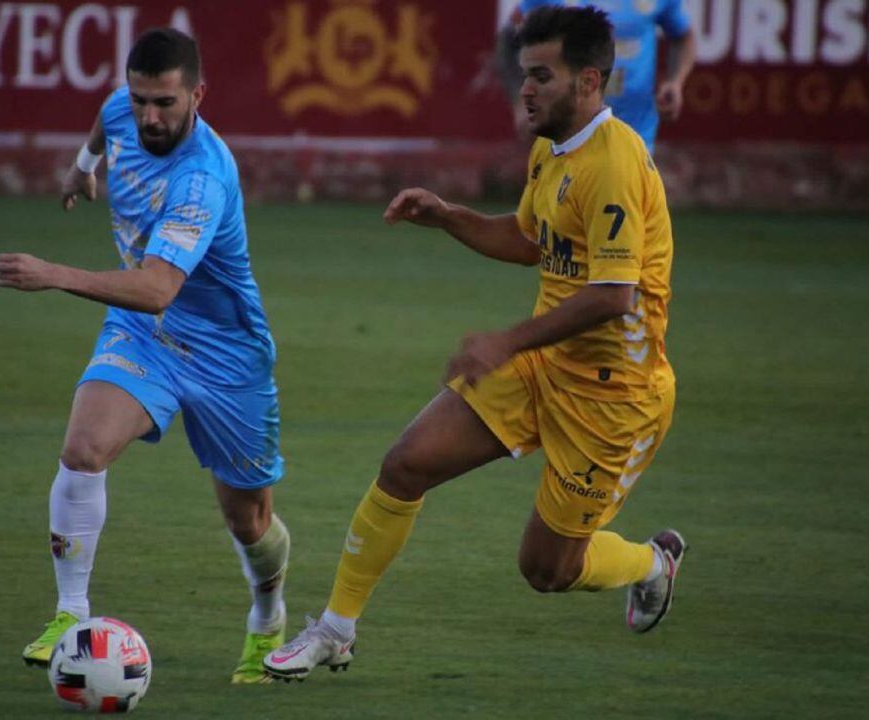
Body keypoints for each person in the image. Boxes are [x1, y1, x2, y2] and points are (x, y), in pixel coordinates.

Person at [264, 6, 685, 681]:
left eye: (541, 76)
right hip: (542, 367)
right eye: (524, 75)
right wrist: (448, 217)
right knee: (406, 463)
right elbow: (529, 240)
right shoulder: (552, 147)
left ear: (589, 81)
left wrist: (505, 341)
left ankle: (652, 563)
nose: (525, 89)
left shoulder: (615, 163)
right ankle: (336, 630)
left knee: (547, 571)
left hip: (616, 399)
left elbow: (615, 296)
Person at [0, 28, 290, 684]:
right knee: (84, 448)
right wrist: (82, 165)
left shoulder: (203, 178)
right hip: (143, 335)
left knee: (249, 520)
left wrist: (54, 273)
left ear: (198, 95)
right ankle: (72, 613)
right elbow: (105, 120)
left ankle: (268, 615)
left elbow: (158, 288)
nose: (150, 116)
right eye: (141, 99)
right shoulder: (122, 107)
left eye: (165, 103)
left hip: (225, 354)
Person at [496, 0, 695, 151]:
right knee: (558, 203)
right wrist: (520, 104)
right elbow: (509, 38)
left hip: (634, 131)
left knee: (623, 202)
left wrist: (676, 82)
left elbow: (683, 36)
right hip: (566, 130)